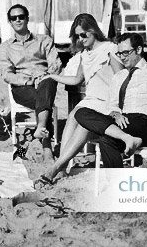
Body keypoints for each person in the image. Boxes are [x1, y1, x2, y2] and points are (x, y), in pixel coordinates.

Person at [74, 32, 147, 168]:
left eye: (126, 53)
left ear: (138, 49)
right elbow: (112, 105)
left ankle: (116, 178)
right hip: (125, 124)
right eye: (119, 54)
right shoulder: (119, 77)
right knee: (82, 114)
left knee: (106, 136)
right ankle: (119, 177)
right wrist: (116, 114)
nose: (122, 58)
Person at [33, 14, 119, 186]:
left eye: (84, 35)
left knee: (81, 122)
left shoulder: (110, 48)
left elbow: (121, 78)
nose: (81, 39)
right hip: (91, 99)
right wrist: (52, 76)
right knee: (72, 116)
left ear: (93, 31)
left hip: (107, 101)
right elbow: (77, 79)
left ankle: (56, 168)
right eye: (77, 36)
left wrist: (117, 105)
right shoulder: (84, 54)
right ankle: (63, 168)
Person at [0, 4, 60, 161]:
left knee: (48, 82)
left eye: (21, 17)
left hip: (44, 82)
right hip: (22, 88)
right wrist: (27, 81)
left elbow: (56, 65)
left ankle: (40, 130)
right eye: (14, 18)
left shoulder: (44, 40)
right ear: (10, 22)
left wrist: (44, 75)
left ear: (27, 19)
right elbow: (6, 74)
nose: (18, 20)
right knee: (44, 100)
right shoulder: (5, 47)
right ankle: (46, 146)